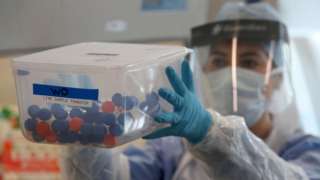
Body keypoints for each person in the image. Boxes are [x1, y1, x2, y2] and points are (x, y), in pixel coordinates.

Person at [61, 2, 320, 180]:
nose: (230, 73)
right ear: (204, 71)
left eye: (249, 62)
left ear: (276, 78)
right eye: (218, 61)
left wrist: (209, 134)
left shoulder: (307, 150)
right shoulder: (173, 150)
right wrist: (86, 143)